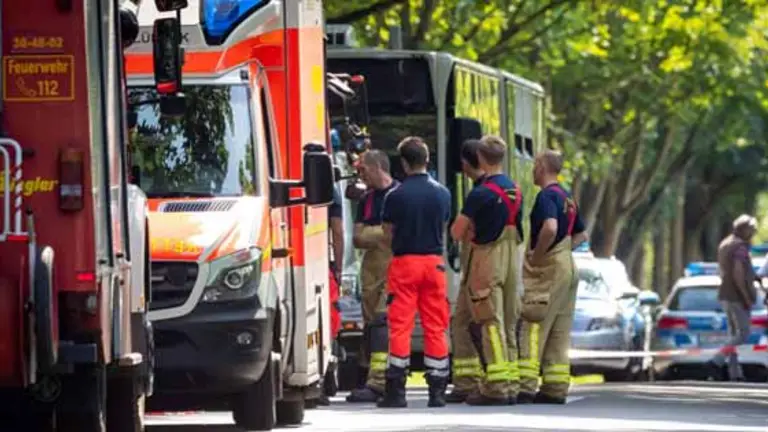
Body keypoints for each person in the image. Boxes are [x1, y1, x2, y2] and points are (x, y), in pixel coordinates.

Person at [378, 137, 451, 408]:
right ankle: (437, 391)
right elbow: (443, 224)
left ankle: (396, 391)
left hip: (405, 263)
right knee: (436, 326)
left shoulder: (395, 196)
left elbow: (388, 232)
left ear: (404, 163)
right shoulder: (443, 193)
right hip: (434, 264)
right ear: (427, 160)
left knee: (400, 326)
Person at [449, 136, 524, 406]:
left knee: (490, 322)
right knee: (508, 321)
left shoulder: (480, 194)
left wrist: (469, 229)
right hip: (511, 261)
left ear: (480, 158)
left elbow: (457, 232)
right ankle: (511, 382)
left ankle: (496, 386)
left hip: (487, 261)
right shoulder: (515, 190)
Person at [517, 150, 587, 405]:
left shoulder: (546, 196)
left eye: (535, 165)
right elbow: (582, 235)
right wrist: (562, 250)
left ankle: (525, 385)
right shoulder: (567, 197)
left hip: (550, 269)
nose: (533, 170)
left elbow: (550, 227)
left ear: (542, 167)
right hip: (568, 267)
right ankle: (555, 387)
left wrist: (538, 255)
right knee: (559, 329)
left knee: (534, 323)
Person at [346, 150, 399, 403]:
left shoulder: (398, 195)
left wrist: (372, 233)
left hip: (394, 267)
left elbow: (395, 234)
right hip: (371, 270)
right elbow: (357, 238)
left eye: (363, 170)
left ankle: (378, 382)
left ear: (378, 167)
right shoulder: (367, 199)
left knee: (382, 322)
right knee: (370, 325)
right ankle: (369, 377)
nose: (360, 175)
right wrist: (383, 233)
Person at [445, 139, 486, 403]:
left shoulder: (478, 194)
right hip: (488, 266)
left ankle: (469, 382)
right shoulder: (508, 190)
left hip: (477, 265)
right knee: (483, 322)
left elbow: (457, 232)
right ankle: (482, 380)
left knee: (465, 321)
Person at [708, 215, 759, 381]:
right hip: (736, 296)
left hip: (725, 294)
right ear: (744, 229)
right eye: (752, 230)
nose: (753, 233)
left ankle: (735, 373)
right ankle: (716, 360)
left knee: (733, 334)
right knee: (743, 333)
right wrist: (745, 296)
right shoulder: (740, 247)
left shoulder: (725, 244)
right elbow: (737, 273)